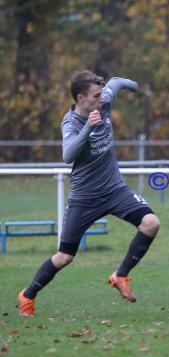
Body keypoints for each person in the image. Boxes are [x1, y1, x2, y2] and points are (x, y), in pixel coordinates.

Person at [18, 71, 160, 317]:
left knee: (151, 223)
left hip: (115, 190)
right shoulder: (71, 123)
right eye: (95, 96)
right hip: (84, 199)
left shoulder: (103, 100)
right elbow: (67, 156)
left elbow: (116, 82)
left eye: (101, 95)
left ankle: (120, 275)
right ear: (81, 98)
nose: (101, 100)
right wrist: (89, 128)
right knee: (64, 257)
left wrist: (134, 86)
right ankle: (27, 296)